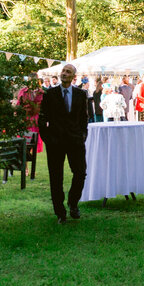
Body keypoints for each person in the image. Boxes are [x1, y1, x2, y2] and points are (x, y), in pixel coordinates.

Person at [38, 63, 88, 224]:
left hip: (75, 141)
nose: (64, 73)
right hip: (55, 142)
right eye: (63, 71)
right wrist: (47, 138)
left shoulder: (81, 94)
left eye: (68, 72)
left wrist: (83, 135)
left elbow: (84, 117)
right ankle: (60, 212)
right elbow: (42, 117)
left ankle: (73, 204)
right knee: (56, 177)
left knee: (80, 173)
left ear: (73, 76)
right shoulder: (50, 93)